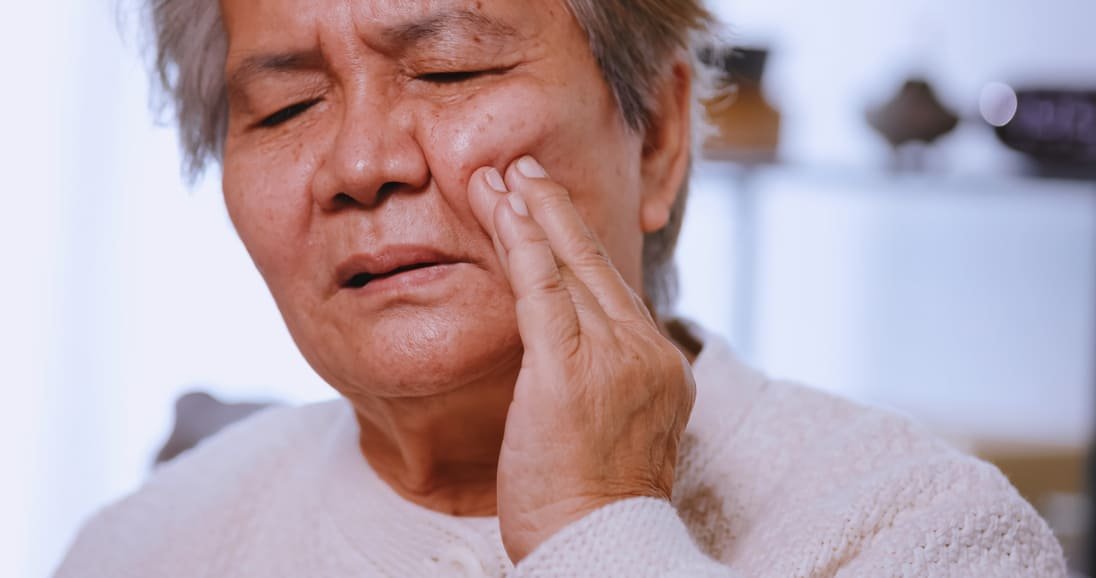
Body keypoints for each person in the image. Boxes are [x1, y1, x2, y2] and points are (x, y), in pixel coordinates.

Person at [55, 1, 1067, 576]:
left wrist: (599, 521)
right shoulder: (140, 546)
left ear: (660, 136)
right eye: (282, 109)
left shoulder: (922, 529)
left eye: (449, 74)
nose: (360, 161)